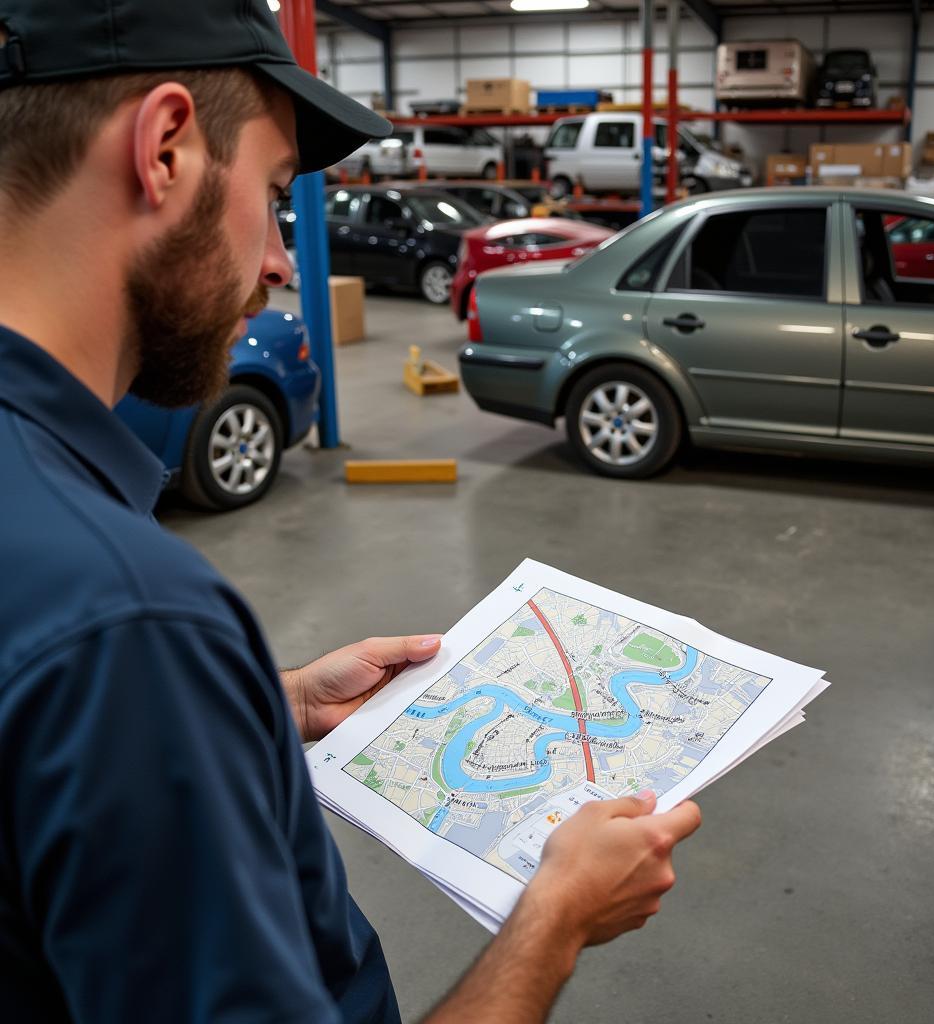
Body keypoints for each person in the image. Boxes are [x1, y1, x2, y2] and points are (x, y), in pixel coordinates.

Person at [0, 3, 702, 1021]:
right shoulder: (131, 622)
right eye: (277, 196)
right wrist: (552, 920)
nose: (283, 259)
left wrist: (253, 710)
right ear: (163, 150)